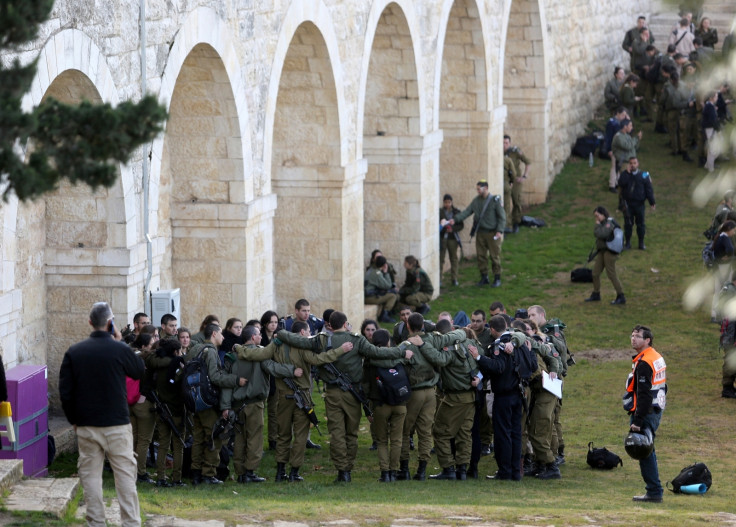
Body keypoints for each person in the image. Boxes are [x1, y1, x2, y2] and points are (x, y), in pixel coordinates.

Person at [274, 311, 414, 482]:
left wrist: (280, 332)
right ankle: (348, 467)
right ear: (346, 323)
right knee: (351, 433)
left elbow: (298, 340)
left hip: (332, 393)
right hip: (352, 393)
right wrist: (400, 353)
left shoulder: (323, 339)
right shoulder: (356, 339)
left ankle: (342, 472)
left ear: (330, 325)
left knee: (337, 433)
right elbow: (378, 353)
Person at [58, 302, 144, 527]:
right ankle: (131, 522)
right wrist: (121, 341)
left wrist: (74, 421)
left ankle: (96, 522)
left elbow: (65, 393)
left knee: (91, 476)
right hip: (116, 423)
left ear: (90, 323)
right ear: (110, 323)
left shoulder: (75, 352)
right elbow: (138, 370)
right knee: (124, 474)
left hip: (87, 424)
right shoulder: (120, 349)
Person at [239, 320, 351, 482]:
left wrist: (238, 348)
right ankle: (294, 472)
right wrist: (341, 350)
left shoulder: (275, 346)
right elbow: (320, 359)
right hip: (303, 395)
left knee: (282, 435)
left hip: (282, 395)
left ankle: (280, 472)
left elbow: (257, 355)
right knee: (300, 435)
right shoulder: (302, 347)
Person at [221, 326, 296, 483]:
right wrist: (293, 370)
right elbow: (274, 369)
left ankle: (240, 472)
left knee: (239, 439)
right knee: (255, 438)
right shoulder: (260, 355)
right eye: (259, 335)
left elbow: (226, 383)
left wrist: (226, 406)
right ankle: (250, 471)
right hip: (254, 403)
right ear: (253, 337)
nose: (261, 337)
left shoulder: (231, 357)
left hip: (236, 404)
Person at [469, 315, 535, 481]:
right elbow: (532, 366)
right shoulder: (519, 344)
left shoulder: (499, 345)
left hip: (504, 396)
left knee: (503, 434)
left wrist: (478, 357)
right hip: (519, 394)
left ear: (492, 329)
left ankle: (505, 471)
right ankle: (515, 471)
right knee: (516, 433)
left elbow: (498, 367)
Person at [187, 324, 247, 485]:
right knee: (215, 437)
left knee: (198, 438)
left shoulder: (194, 349)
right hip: (207, 402)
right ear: (214, 334)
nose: (223, 337)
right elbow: (214, 377)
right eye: (221, 334)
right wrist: (235, 380)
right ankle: (209, 474)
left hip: (194, 399)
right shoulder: (211, 351)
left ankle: (196, 473)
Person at [625, 325, 666, 503]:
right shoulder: (656, 357)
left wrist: (638, 421)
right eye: (632, 335)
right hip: (656, 409)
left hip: (646, 412)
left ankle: (654, 492)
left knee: (644, 451)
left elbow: (644, 395)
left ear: (647, 340)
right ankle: (654, 490)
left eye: (638, 336)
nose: (633, 339)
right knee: (649, 450)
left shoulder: (644, 363)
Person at [364, 328, 408, 482]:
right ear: (388, 342)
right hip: (400, 402)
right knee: (397, 439)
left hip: (380, 404)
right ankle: (395, 471)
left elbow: (366, 384)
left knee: (382, 440)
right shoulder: (399, 356)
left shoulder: (369, 360)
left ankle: (385, 473)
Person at [145, 338, 187, 487]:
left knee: (163, 444)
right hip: (176, 410)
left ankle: (161, 478)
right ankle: (176, 478)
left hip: (162, 407)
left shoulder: (158, 365)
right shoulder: (178, 366)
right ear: (176, 351)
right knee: (178, 446)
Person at [449, 180, 506, 287]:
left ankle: (497, 277)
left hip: (492, 233)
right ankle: (484, 277)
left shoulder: (495, 201)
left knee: (494, 256)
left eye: (479, 188)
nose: (477, 191)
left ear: (486, 188)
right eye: (477, 189)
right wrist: (455, 219)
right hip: (480, 233)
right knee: (481, 256)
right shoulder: (476, 201)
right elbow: (467, 211)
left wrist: (499, 230)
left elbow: (502, 217)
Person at [585, 206, 625, 305]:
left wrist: (597, 226)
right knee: (595, 273)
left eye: (597, 215)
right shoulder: (604, 223)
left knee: (611, 274)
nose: (596, 218)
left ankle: (621, 295)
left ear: (603, 214)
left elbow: (601, 234)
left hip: (610, 252)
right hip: (603, 251)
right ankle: (596, 293)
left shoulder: (608, 223)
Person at [617, 156, 656, 250]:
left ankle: (641, 243)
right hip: (628, 204)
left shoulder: (644, 175)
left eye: (634, 163)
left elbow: (648, 189)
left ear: (638, 164)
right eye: (631, 163)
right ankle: (628, 243)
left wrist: (652, 202)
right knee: (628, 224)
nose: (632, 165)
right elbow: (620, 184)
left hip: (639, 204)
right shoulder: (625, 174)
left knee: (641, 224)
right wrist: (627, 173)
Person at [503, 135, 531, 233]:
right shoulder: (499, 152)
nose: (504, 145)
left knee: (516, 200)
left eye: (506, 143)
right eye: (503, 143)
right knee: (505, 203)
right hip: (505, 180)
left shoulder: (515, 152)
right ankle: (507, 224)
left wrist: (524, 176)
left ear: (509, 143)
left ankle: (516, 222)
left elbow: (527, 162)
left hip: (515, 180)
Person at [710, 220, 736, 324]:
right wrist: (728, 256)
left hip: (718, 267)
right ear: (729, 229)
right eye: (734, 230)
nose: (734, 232)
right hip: (724, 268)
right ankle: (721, 315)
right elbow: (730, 249)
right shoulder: (725, 238)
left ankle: (714, 315)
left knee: (717, 291)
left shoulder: (720, 237)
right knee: (724, 291)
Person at [365, 255, 400, 322]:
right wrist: (386, 272)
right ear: (384, 265)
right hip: (370, 298)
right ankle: (384, 316)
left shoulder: (371, 270)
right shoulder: (376, 273)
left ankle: (387, 313)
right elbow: (388, 285)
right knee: (392, 296)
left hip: (369, 295)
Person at [439, 194, 464, 286]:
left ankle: (454, 278)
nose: (447, 204)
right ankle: (439, 279)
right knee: (441, 258)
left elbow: (461, 225)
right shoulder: (440, 212)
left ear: (452, 202)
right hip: (442, 238)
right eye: (445, 202)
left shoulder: (456, 212)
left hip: (452, 238)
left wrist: (452, 229)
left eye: (449, 202)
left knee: (453, 258)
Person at [717, 277, 736, 398]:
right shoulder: (730, 292)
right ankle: (727, 388)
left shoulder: (727, 290)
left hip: (728, 335)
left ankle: (728, 387)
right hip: (731, 336)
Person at [602, 107, 628, 192]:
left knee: (619, 166)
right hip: (614, 148)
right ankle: (612, 185)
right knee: (614, 167)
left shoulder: (619, 123)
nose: (624, 116)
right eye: (623, 115)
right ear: (618, 113)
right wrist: (609, 149)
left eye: (625, 115)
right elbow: (609, 137)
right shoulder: (612, 123)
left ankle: (616, 182)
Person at [703, 90, 720, 172]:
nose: (717, 98)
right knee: (713, 149)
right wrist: (718, 130)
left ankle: (708, 165)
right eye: (716, 96)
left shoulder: (710, 106)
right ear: (711, 98)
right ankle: (710, 168)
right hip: (710, 129)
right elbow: (712, 120)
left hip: (712, 129)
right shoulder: (709, 107)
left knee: (715, 149)